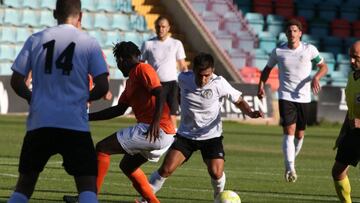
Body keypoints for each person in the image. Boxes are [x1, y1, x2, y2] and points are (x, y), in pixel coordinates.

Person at [8, 0, 109, 202]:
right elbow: (103, 87)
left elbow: (16, 80)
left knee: (24, 186)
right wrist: (83, 99)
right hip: (74, 124)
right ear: (80, 16)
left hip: (41, 122)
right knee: (87, 186)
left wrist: (31, 97)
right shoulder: (89, 42)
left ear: (55, 13)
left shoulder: (35, 39)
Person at [64, 41, 176, 203]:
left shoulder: (142, 69)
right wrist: (85, 117)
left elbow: (160, 93)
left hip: (156, 130)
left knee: (102, 148)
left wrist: (155, 123)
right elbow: (118, 110)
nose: (118, 66)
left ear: (123, 60)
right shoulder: (132, 80)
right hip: (160, 134)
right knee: (127, 167)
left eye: (118, 62)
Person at [144, 53, 263, 202]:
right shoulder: (183, 79)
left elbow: (238, 101)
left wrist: (251, 113)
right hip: (186, 136)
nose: (203, 79)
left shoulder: (219, 83)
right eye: (200, 75)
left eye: (207, 75)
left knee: (216, 173)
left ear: (212, 71)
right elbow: (179, 93)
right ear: (193, 70)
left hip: (211, 137)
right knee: (166, 169)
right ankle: (144, 199)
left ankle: (217, 198)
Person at [257, 18, 328, 182]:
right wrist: (260, 85)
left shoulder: (309, 50)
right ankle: (290, 167)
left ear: (300, 33)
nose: (292, 33)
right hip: (285, 96)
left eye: (295, 30)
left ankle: (291, 160)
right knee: (289, 130)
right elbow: (267, 69)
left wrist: (316, 78)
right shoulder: (278, 52)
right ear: (285, 34)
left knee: (300, 134)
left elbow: (324, 67)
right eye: (289, 31)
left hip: (304, 97)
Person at [141, 16, 188, 129]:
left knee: (172, 114)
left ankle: (173, 139)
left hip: (171, 83)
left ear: (168, 28)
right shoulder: (148, 44)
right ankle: (152, 139)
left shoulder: (176, 43)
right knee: (153, 113)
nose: (161, 29)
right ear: (155, 28)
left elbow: (182, 64)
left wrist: (187, 81)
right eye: (158, 26)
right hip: (155, 84)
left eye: (163, 26)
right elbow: (141, 65)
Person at [331, 40, 360, 203]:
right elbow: (350, 110)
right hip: (353, 133)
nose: (351, 61)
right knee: (338, 172)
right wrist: (342, 134)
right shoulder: (352, 77)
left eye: (356, 57)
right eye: (350, 57)